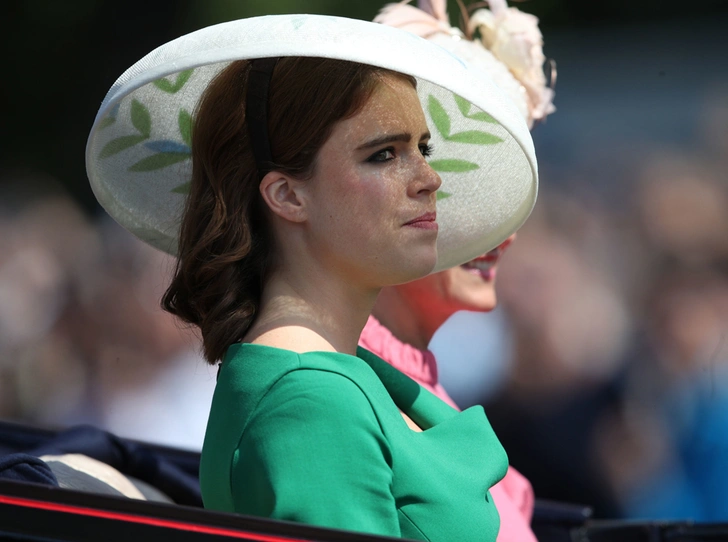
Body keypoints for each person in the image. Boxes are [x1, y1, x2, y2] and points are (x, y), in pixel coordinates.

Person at [85, 14, 538, 541]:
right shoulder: (310, 400)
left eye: (423, 148)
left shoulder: (334, 373)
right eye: (384, 154)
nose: (429, 178)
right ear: (287, 195)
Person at [366, 2, 555, 540]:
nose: (504, 236)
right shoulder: (342, 383)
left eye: (507, 205)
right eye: (462, 195)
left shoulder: (413, 382)